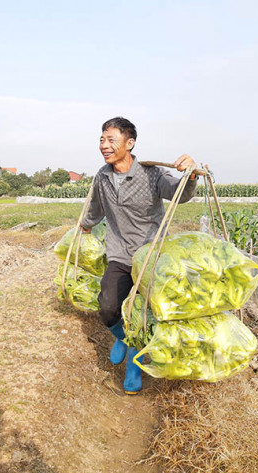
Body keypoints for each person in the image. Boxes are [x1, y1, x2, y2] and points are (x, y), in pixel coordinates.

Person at [80, 117, 198, 394]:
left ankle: (135, 361)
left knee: (146, 313)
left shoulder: (152, 174)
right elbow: (97, 208)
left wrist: (190, 175)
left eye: (111, 140)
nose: (104, 145)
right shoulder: (102, 176)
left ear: (129, 143)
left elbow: (179, 194)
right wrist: (85, 225)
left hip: (151, 254)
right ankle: (122, 337)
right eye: (101, 139)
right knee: (108, 306)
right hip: (120, 253)